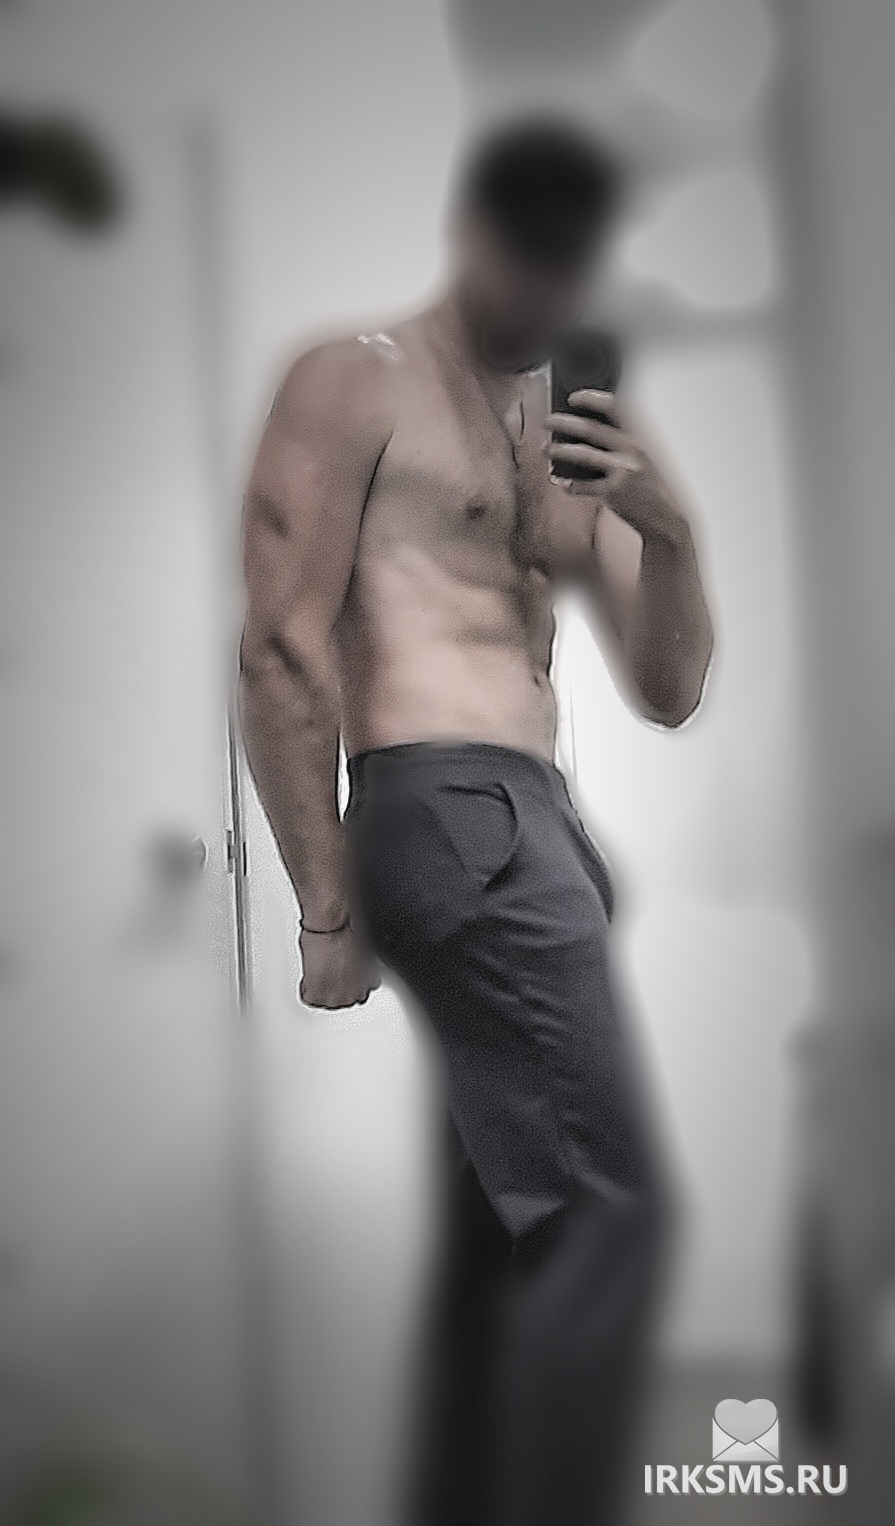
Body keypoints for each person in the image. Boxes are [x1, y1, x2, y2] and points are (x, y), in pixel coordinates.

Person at [239, 117, 714, 1526]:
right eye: (530, 266)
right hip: (446, 807)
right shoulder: (355, 379)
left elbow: (668, 687)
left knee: (499, 1234)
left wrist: (670, 529)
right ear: (472, 237)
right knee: (608, 1215)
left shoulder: (572, 424)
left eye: (574, 273)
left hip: (541, 822)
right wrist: (324, 906)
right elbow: (281, 645)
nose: (551, 300)